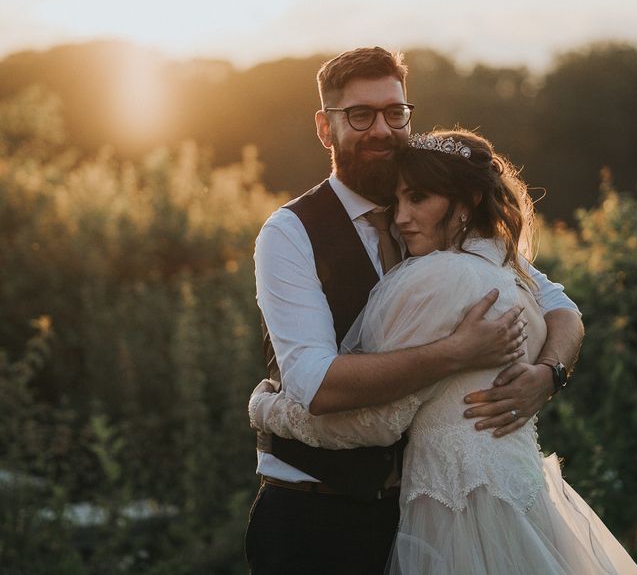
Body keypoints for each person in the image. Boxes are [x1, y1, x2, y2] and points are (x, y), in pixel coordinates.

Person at [245, 47, 584, 574]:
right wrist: (456, 352)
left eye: (394, 112)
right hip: (316, 515)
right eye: (360, 115)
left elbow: (560, 306)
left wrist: (549, 372)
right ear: (324, 127)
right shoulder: (291, 234)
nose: (381, 129)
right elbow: (315, 384)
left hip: (424, 513)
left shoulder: (442, 224)